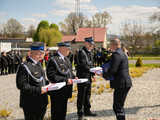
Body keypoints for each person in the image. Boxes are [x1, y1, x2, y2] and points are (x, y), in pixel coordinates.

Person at [16, 42, 48, 120]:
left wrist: (51, 85)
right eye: (41, 53)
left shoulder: (38, 64)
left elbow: (42, 80)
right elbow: (22, 85)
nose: (43, 54)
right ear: (34, 53)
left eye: (43, 53)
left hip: (41, 101)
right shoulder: (24, 66)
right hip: (31, 103)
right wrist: (39, 90)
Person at [103, 38, 132, 120]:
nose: (109, 46)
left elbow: (113, 70)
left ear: (114, 45)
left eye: (110, 45)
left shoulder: (116, 54)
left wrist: (103, 74)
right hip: (125, 83)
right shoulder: (122, 53)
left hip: (121, 84)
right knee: (119, 106)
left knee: (117, 107)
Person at [46, 42, 76, 120]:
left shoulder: (66, 59)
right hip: (57, 92)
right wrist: (65, 80)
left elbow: (69, 72)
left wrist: (74, 77)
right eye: (68, 49)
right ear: (62, 49)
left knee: (63, 112)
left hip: (65, 90)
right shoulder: (53, 59)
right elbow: (51, 76)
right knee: (56, 113)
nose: (69, 51)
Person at [76, 37, 97, 120]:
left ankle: (87, 110)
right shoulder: (82, 52)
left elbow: (91, 64)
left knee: (88, 95)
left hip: (88, 77)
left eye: (92, 44)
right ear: (86, 43)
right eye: (90, 44)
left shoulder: (90, 52)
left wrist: (93, 74)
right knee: (81, 96)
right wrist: (93, 70)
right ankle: (80, 113)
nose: (91, 46)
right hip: (82, 77)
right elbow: (84, 65)